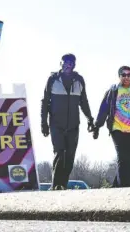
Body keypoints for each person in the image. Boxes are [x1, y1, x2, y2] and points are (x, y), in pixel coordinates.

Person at [40, 53, 95, 190]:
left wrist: (90, 119)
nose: (68, 65)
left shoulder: (79, 80)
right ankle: (55, 185)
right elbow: (45, 102)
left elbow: (84, 102)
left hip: (73, 125)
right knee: (59, 153)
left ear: (74, 65)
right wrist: (44, 123)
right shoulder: (52, 80)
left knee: (70, 156)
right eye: (65, 62)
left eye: (71, 62)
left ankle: (62, 185)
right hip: (56, 124)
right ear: (60, 64)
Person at [92, 66, 130, 187]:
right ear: (119, 76)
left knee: (129, 162)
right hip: (118, 129)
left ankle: (115, 188)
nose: (126, 77)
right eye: (123, 75)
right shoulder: (113, 90)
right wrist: (97, 126)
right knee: (123, 159)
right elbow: (103, 109)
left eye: (129, 75)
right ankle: (126, 189)